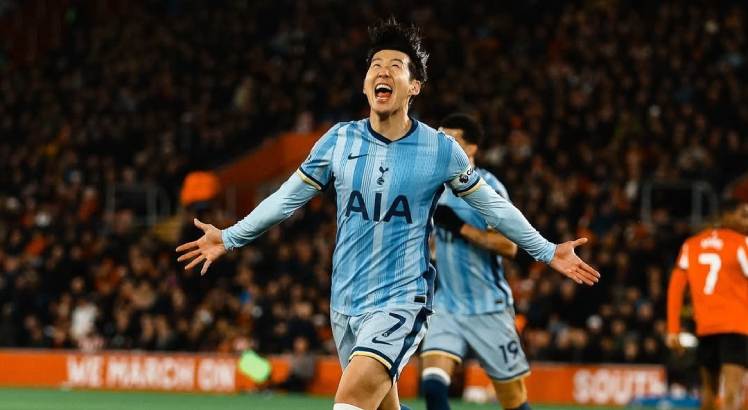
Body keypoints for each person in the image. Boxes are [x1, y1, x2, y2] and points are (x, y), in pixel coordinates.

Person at [176, 18, 599, 410]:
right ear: (364, 85)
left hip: (401, 302)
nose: (382, 71)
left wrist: (547, 251)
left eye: (395, 65)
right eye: (375, 65)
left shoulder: (439, 150)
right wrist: (230, 236)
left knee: (349, 403)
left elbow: (494, 207)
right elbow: (286, 200)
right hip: (344, 304)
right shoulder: (338, 142)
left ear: (413, 86)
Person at [420, 113, 534, 410]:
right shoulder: (433, 188)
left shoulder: (490, 188)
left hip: (488, 307)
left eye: (452, 139)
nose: (443, 145)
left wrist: (461, 228)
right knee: (432, 386)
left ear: (471, 149)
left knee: (512, 401)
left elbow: (509, 247)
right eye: (440, 139)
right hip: (446, 304)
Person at [666, 200, 748, 410]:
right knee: (731, 395)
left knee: (709, 396)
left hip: (706, 327)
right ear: (726, 216)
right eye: (743, 215)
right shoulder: (741, 243)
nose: (747, 221)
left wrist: (673, 328)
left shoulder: (691, 245)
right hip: (737, 327)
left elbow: (676, 287)